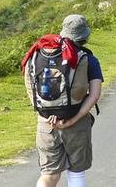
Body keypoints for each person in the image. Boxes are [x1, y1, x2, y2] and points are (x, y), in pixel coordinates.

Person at [21, 14, 103, 187]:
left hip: (46, 123)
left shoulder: (37, 56)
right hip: (77, 122)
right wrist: (72, 119)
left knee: (49, 175)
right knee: (76, 172)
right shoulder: (88, 59)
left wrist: (45, 112)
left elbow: (31, 89)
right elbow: (94, 95)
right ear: (84, 36)